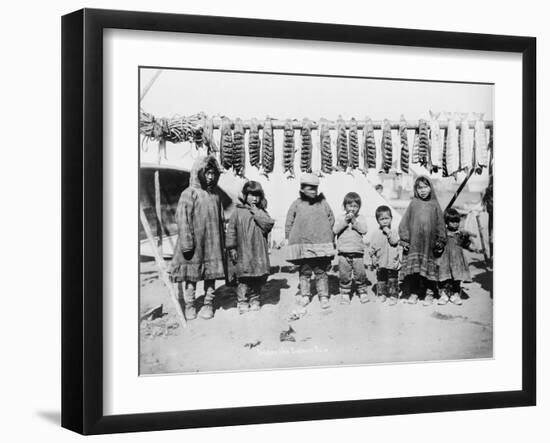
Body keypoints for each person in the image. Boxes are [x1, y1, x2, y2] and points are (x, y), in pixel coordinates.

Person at [170, 155, 226, 320]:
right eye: (207, 173)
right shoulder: (189, 193)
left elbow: (221, 220)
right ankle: (190, 305)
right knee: (191, 276)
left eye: (213, 174)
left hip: (213, 244)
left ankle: (208, 304)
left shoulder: (215, 196)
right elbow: (182, 218)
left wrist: (223, 243)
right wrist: (187, 243)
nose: (210, 177)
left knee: (211, 275)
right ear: (199, 173)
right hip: (194, 243)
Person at [285, 174, 335, 309]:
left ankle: (323, 296)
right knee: (305, 272)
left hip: (321, 246)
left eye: (315, 188)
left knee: (321, 272)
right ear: (302, 189)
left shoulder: (323, 203)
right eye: (310, 188)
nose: (313, 191)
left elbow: (331, 219)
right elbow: (289, 221)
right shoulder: (297, 204)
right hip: (304, 247)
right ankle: (305, 295)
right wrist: (289, 237)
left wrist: (326, 233)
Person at [226, 181, 275, 314]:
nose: (254, 198)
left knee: (257, 277)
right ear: (245, 195)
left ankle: (255, 299)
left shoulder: (262, 212)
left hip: (258, 250)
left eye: (257, 195)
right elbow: (231, 231)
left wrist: (256, 212)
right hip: (243, 251)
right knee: (243, 278)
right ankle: (242, 301)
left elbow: (268, 225)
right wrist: (232, 248)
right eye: (251, 195)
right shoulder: (238, 211)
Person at [398, 176, 446, 305]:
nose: (423, 190)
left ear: (430, 188)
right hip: (415, 244)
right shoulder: (414, 204)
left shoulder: (435, 204)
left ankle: (429, 294)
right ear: (416, 190)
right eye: (420, 188)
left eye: (425, 187)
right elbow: (405, 222)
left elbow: (441, 224)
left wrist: (441, 239)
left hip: (429, 244)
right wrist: (405, 239)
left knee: (429, 270)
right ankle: (414, 292)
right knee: (415, 271)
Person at [437, 207, 481, 305]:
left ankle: (455, 294)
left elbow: (466, 244)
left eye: (457, 221)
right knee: (444, 278)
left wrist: (473, 248)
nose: (455, 224)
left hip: (457, 260)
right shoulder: (443, 233)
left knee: (456, 278)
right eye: (452, 221)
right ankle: (444, 294)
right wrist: (438, 246)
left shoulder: (460, 234)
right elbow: (438, 244)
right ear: (446, 222)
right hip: (445, 260)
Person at [333, 192, 369, 304]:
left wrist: (354, 221)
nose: (352, 209)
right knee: (344, 273)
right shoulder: (340, 218)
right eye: (350, 206)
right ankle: (345, 293)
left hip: (357, 251)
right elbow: (335, 230)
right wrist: (345, 221)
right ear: (345, 206)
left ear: (359, 207)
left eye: (355, 206)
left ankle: (362, 291)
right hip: (344, 251)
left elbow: (364, 230)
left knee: (360, 273)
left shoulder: (361, 218)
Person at [368, 205, 401, 305]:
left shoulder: (394, 231)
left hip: (392, 261)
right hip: (380, 261)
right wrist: (373, 258)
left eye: (387, 218)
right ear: (378, 221)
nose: (385, 221)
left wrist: (388, 232)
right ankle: (382, 294)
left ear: (391, 218)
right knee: (381, 278)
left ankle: (393, 295)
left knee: (392, 278)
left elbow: (394, 242)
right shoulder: (375, 233)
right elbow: (372, 248)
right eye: (382, 219)